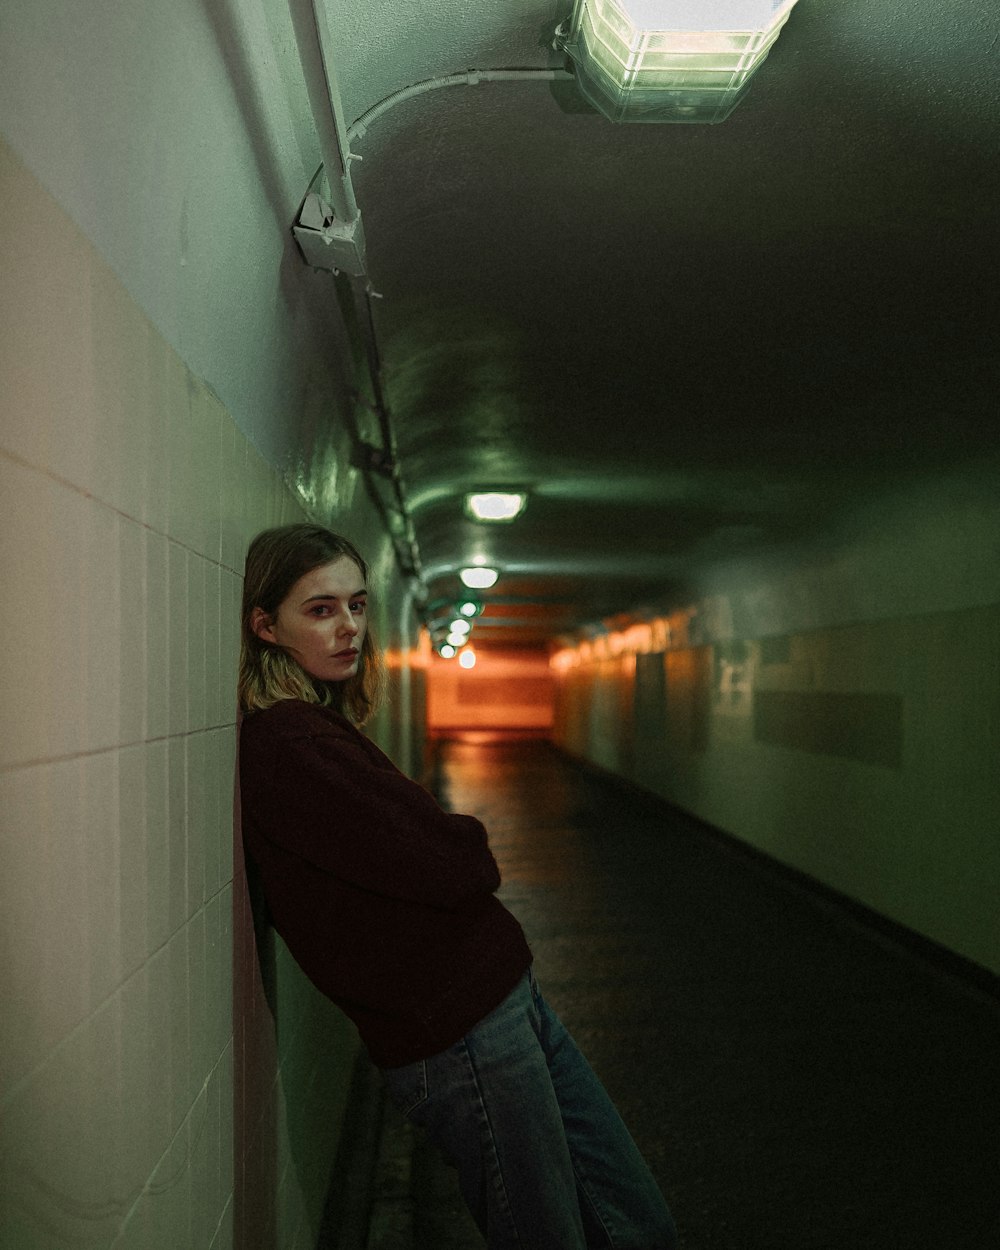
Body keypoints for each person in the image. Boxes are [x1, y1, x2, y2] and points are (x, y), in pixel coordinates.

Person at [238, 523, 678, 1250]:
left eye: (356, 605)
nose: (348, 627)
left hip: (499, 1001)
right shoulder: (291, 743)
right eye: (320, 610)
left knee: (634, 1223)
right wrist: (458, 837)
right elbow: (457, 864)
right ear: (265, 625)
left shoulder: (319, 726)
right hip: (461, 1036)